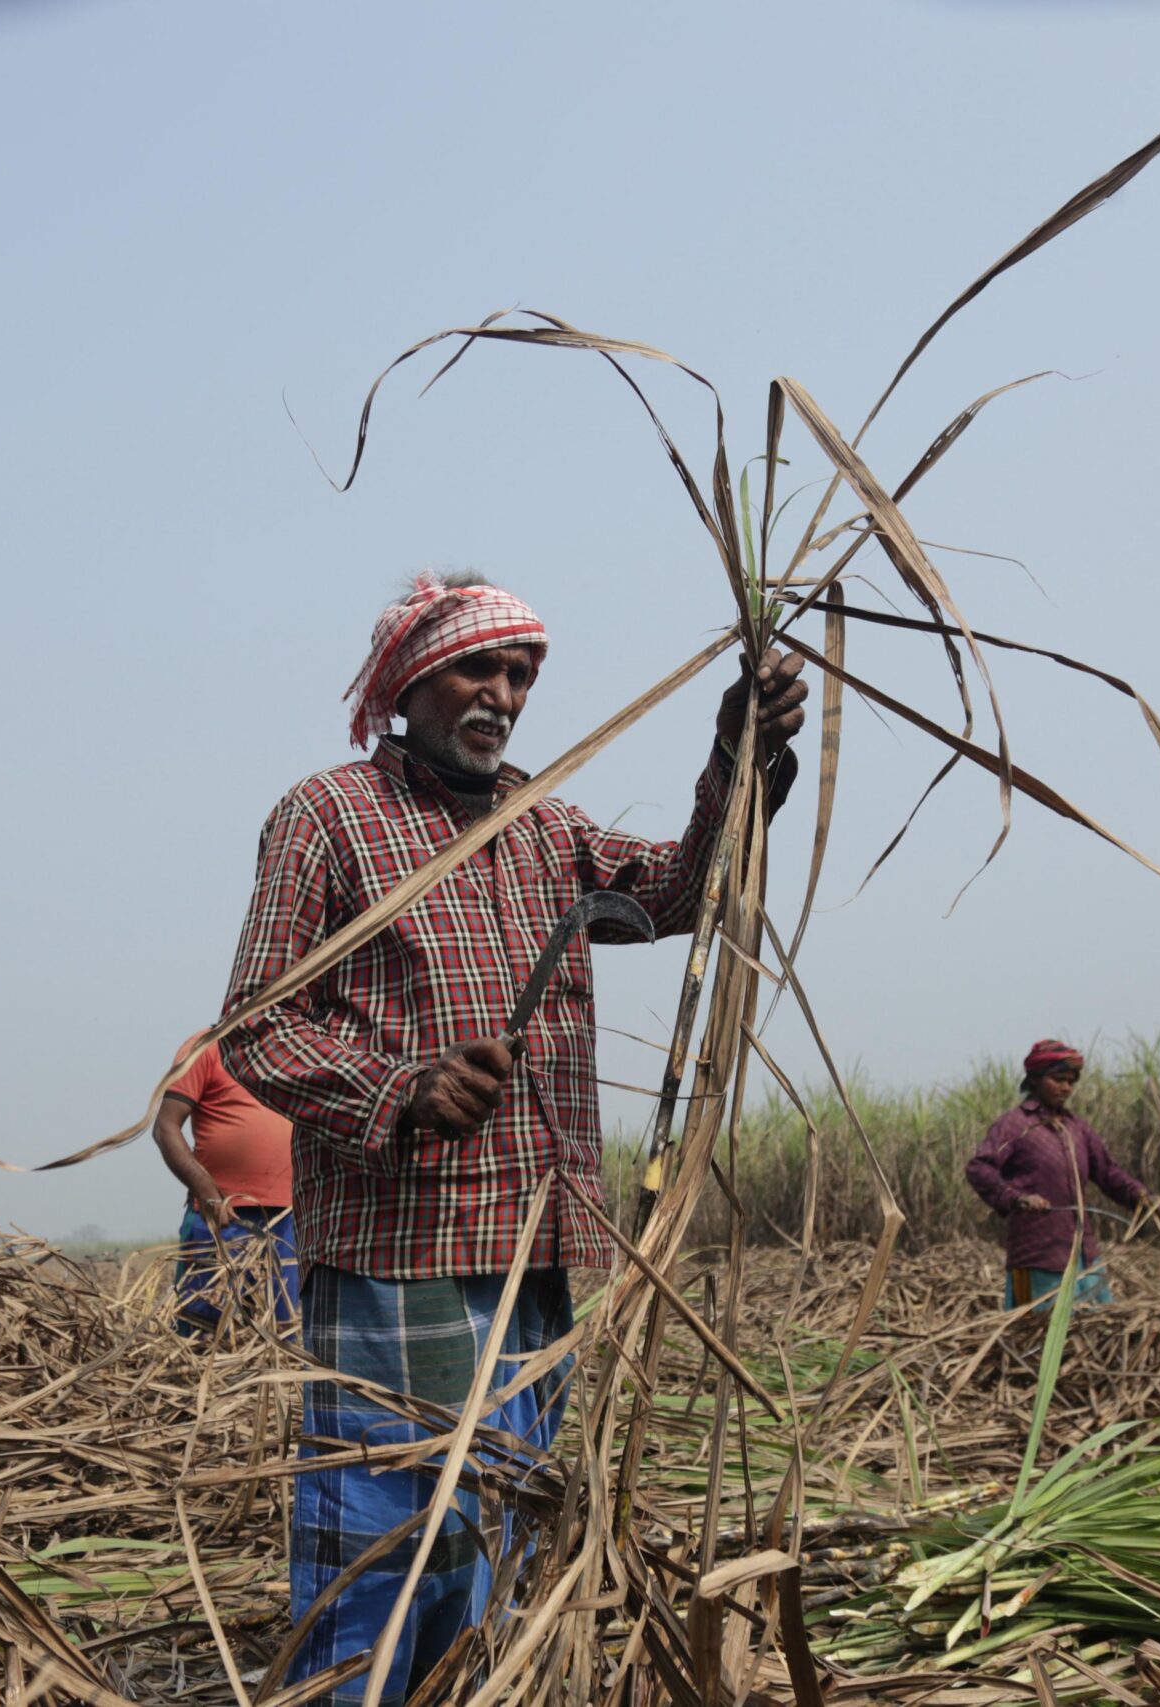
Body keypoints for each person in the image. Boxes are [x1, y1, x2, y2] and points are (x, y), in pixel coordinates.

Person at [219, 570, 805, 1702]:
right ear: (408, 681)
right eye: (476, 669)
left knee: (507, 1520)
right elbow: (257, 1029)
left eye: (520, 674)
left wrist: (740, 758)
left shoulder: (546, 827)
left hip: (535, 1243)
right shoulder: (327, 817)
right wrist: (403, 1090)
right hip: (404, 1248)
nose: (501, 694)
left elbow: (684, 890)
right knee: (394, 1536)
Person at [964, 1040, 1154, 1312]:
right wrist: (1017, 1198)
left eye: (1071, 1081)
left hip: (1083, 1252)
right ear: (1036, 1079)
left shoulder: (1076, 1128)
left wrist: (1140, 1196)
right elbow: (979, 1167)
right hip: (1038, 1253)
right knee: (1040, 1331)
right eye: (1058, 1079)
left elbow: (1108, 1172)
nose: (1066, 1088)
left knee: (1098, 1324)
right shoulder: (1015, 1124)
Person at [151, 1032, 298, 1336]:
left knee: (288, 1333)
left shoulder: (301, 1047)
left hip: (295, 1219)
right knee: (203, 1331)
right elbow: (165, 1128)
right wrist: (208, 1194)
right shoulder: (207, 1046)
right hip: (222, 1217)